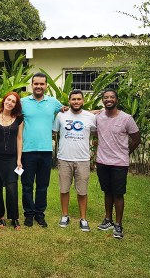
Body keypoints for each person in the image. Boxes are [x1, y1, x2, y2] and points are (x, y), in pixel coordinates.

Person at [96, 88, 140, 239]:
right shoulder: (99, 116)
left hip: (119, 163)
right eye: (106, 97)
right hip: (102, 161)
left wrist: (125, 153)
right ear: (103, 101)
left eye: (112, 97)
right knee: (107, 191)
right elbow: (84, 112)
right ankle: (108, 219)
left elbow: (136, 139)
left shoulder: (126, 118)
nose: (109, 99)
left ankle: (119, 225)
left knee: (118, 194)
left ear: (117, 100)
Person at [21, 72, 63, 228]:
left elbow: (71, 110)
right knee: (27, 185)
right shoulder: (23, 102)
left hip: (46, 151)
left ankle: (40, 214)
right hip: (27, 151)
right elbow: (8, 113)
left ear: (46, 85)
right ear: (32, 85)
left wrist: (93, 113)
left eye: (42, 84)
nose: (38, 86)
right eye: (36, 83)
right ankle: (29, 214)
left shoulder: (53, 102)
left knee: (42, 185)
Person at [52, 89, 96, 232]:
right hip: (64, 158)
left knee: (82, 190)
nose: (76, 102)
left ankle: (83, 218)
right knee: (64, 189)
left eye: (79, 99)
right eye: (73, 99)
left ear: (83, 101)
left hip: (83, 159)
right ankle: (65, 215)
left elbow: (96, 133)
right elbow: (54, 132)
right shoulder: (61, 115)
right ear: (69, 101)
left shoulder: (90, 117)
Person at [0, 92, 23, 230]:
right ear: (4, 101)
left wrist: (19, 159)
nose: (10, 103)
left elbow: (19, 138)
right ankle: (0, 216)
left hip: (11, 158)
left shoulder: (19, 119)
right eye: (8, 100)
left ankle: (14, 217)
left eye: (13, 102)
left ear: (16, 105)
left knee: (11, 187)